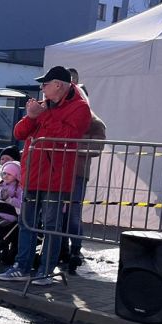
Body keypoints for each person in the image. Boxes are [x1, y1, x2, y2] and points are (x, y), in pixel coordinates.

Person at [0, 65, 92, 285]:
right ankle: (22, 267)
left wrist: (43, 115)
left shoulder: (80, 107)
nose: (42, 88)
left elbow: (69, 136)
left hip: (55, 179)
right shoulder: (44, 104)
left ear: (58, 85)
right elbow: (19, 132)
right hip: (32, 175)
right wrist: (31, 117)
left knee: (51, 226)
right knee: (26, 223)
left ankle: (45, 271)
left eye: (45, 84)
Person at [65, 108, 107, 272]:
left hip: (78, 174)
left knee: (73, 213)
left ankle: (76, 249)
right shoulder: (63, 114)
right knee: (57, 212)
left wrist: (71, 143)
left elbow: (96, 148)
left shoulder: (95, 123)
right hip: (57, 173)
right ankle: (61, 248)